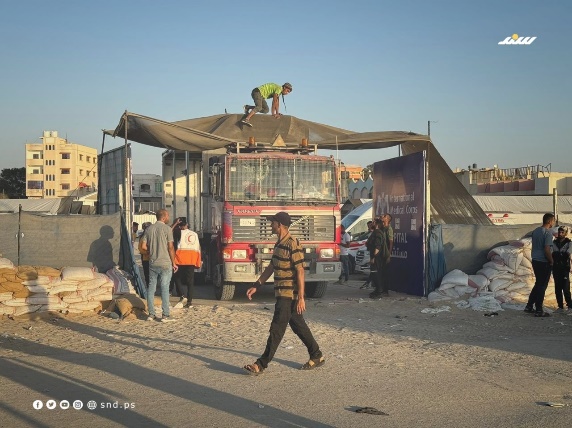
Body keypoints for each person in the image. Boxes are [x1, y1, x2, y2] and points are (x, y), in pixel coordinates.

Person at [243, 211, 325, 375]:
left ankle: (261, 364)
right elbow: (271, 267)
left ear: (279, 224)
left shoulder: (292, 244)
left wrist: (301, 297)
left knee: (277, 329)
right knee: (298, 326)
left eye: (272, 222)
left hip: (289, 295)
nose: (270, 225)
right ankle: (317, 355)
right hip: (281, 293)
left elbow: (300, 271)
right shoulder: (279, 244)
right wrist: (257, 285)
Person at [140, 209, 178, 322]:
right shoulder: (167, 229)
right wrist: (174, 262)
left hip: (153, 263)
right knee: (165, 288)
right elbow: (170, 247)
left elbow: (143, 246)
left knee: (151, 288)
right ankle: (165, 315)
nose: (169, 217)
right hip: (165, 263)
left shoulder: (149, 229)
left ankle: (151, 314)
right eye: (168, 215)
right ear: (164, 217)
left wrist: (151, 252)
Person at [525, 213, 556, 317]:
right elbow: (547, 250)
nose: (554, 223)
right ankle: (539, 309)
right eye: (553, 221)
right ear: (550, 221)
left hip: (535, 260)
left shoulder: (536, 231)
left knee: (538, 284)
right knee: (542, 286)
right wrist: (551, 261)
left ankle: (529, 306)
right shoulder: (547, 233)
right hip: (543, 262)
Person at [173, 219, 201, 309]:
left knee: (176, 277)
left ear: (179, 225)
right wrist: (198, 260)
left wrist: (175, 224)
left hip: (180, 258)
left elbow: (168, 232)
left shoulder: (178, 232)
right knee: (190, 281)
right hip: (192, 258)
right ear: (187, 224)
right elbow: (198, 247)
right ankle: (189, 302)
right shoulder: (195, 234)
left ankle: (182, 295)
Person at [370, 214, 394, 299]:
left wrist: (388, 255)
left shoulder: (388, 229)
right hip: (379, 254)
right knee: (378, 273)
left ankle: (384, 291)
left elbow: (390, 242)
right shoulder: (381, 228)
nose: (382, 217)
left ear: (387, 219)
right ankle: (379, 289)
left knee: (384, 273)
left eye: (384, 216)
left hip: (384, 254)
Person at [552, 226, 572, 313]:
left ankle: (570, 306)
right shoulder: (554, 242)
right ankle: (560, 306)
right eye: (559, 232)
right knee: (557, 288)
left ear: (565, 233)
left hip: (565, 268)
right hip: (556, 268)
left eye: (562, 232)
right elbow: (552, 252)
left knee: (566, 288)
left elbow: (568, 253)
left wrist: (560, 255)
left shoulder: (569, 243)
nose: (560, 234)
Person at [360, 221, 377, 290]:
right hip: (371, 252)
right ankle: (370, 283)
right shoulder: (370, 233)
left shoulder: (376, 233)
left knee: (374, 269)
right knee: (372, 269)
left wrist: (374, 256)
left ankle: (368, 283)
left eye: (370, 225)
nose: (369, 227)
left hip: (374, 253)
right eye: (368, 226)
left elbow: (376, 245)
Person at [138, 222, 152, 286]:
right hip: (146, 258)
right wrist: (148, 252)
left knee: (149, 273)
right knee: (147, 273)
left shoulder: (147, 236)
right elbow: (141, 248)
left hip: (150, 258)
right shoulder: (144, 237)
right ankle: (149, 285)